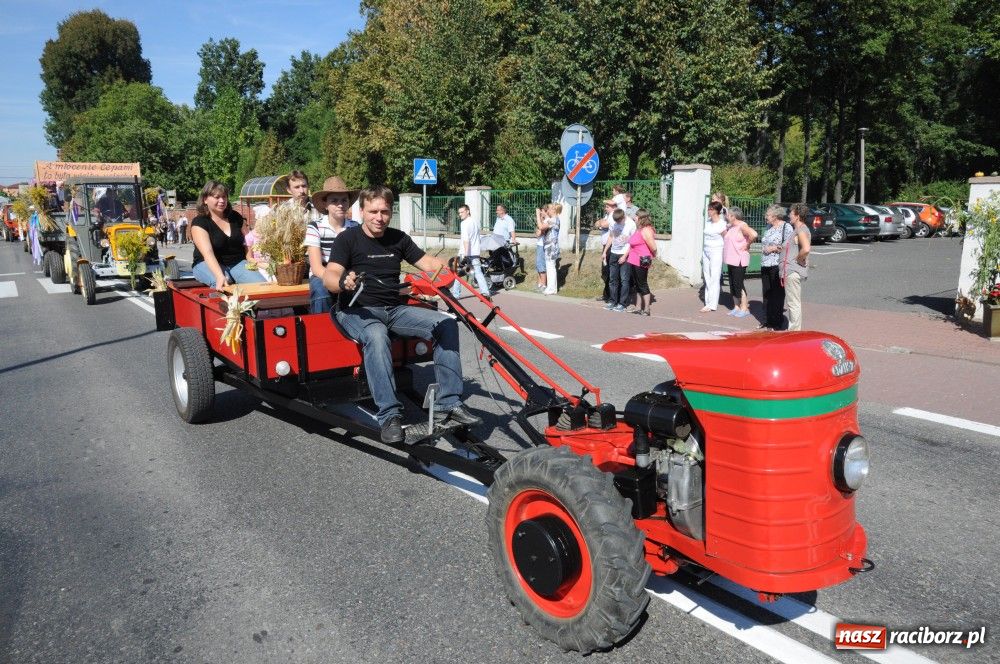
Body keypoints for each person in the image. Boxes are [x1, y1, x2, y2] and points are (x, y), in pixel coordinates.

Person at [322, 186, 481, 444]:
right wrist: (343, 281)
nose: (379, 217)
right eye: (373, 211)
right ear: (361, 211)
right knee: (376, 334)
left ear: (391, 212)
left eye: (384, 211)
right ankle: (389, 416)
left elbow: (428, 263)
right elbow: (330, 275)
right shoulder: (347, 239)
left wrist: (454, 266)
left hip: (393, 309)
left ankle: (448, 404)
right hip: (354, 310)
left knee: (446, 324)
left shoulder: (398, 238)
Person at [190, 180, 267, 290]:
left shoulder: (235, 217)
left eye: (224, 197)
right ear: (205, 199)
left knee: (261, 285)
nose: (222, 201)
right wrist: (219, 275)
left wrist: (252, 259)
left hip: (237, 263)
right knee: (225, 283)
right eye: (217, 197)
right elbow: (208, 253)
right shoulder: (200, 222)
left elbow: (248, 240)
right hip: (206, 264)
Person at [305, 176, 360, 314]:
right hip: (322, 274)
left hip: (349, 274)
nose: (340, 204)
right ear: (325, 204)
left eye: (344, 200)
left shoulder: (355, 227)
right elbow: (316, 267)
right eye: (334, 201)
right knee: (322, 293)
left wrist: (349, 277)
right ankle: (322, 330)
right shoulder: (315, 227)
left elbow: (358, 259)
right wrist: (338, 281)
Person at [760, 204, 792, 330]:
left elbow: (788, 246)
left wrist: (773, 248)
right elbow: (764, 243)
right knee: (767, 292)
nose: (765, 217)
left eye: (767, 215)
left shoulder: (786, 227)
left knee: (777, 293)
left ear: (775, 216)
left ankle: (777, 322)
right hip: (765, 263)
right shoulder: (769, 226)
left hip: (777, 264)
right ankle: (767, 320)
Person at [722, 206, 758, 318]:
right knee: (732, 284)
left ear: (733, 216)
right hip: (730, 259)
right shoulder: (731, 226)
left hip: (739, 259)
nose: (727, 216)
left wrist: (747, 245)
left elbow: (754, 235)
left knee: (739, 284)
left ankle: (744, 308)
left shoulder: (742, 225)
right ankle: (736, 306)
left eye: (728, 215)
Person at [452, 204, 492, 299]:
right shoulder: (475, 222)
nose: (460, 214)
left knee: (458, 273)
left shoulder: (464, 223)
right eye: (459, 213)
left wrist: (465, 254)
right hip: (475, 252)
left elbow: (466, 239)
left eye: (462, 212)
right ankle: (486, 292)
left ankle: (455, 295)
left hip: (466, 253)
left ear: (468, 211)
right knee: (478, 272)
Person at [783, 203, 811, 331]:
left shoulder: (801, 230)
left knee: (793, 303)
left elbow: (806, 249)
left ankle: (794, 331)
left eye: (791, 213)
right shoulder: (797, 229)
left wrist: (798, 259)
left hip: (793, 272)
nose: (789, 215)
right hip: (791, 271)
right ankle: (794, 330)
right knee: (793, 303)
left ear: (798, 216)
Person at [625, 208, 657, 316]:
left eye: (637, 216)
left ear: (641, 218)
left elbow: (653, 247)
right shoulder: (639, 229)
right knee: (637, 285)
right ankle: (638, 307)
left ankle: (647, 309)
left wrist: (652, 256)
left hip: (642, 260)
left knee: (642, 284)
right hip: (634, 259)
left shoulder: (646, 230)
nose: (635, 217)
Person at [604, 208, 636, 311]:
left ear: (623, 217)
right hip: (614, 253)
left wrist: (625, 256)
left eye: (619, 221)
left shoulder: (631, 224)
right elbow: (611, 236)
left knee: (624, 280)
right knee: (612, 279)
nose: (617, 223)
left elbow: (633, 243)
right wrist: (605, 251)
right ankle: (613, 301)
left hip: (624, 254)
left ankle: (622, 303)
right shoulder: (614, 222)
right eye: (615, 221)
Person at [700, 201, 726, 312]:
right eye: (708, 209)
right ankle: (708, 301)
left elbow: (726, 238)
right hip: (706, 251)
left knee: (714, 277)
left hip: (716, 251)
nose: (708, 211)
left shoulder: (722, 224)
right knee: (707, 276)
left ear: (716, 211)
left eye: (710, 209)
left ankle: (712, 304)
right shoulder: (708, 222)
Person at [244, 205, 273, 280]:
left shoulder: (271, 235)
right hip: (259, 267)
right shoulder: (250, 237)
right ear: (259, 219)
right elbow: (249, 257)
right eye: (267, 219)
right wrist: (261, 265)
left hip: (272, 265)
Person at [537, 204, 561, 295]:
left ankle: (551, 289)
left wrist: (537, 215)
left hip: (551, 247)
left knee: (550, 268)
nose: (548, 211)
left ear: (553, 211)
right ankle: (552, 288)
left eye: (549, 210)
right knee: (551, 267)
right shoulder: (554, 219)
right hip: (550, 246)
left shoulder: (553, 220)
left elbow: (541, 227)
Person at [595, 200, 616, 302]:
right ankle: (606, 294)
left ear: (613, 207)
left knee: (608, 271)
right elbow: (597, 223)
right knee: (604, 270)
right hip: (605, 246)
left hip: (610, 246)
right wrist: (600, 223)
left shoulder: (613, 215)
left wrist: (601, 223)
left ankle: (609, 295)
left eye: (607, 207)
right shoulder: (607, 215)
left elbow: (604, 225)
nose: (605, 208)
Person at [533, 204, 551, 291]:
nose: (541, 213)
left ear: (545, 211)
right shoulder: (543, 220)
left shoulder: (548, 220)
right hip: (539, 244)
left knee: (541, 265)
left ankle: (544, 285)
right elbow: (537, 233)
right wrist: (540, 218)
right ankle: (540, 284)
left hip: (543, 245)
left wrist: (537, 215)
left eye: (542, 212)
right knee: (538, 265)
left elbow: (539, 232)